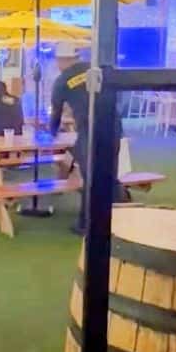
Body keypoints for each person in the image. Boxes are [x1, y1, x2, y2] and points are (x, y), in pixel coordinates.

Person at [50, 43, 126, 235]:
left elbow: (55, 113)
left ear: (61, 61)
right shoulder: (95, 70)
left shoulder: (61, 81)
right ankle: (119, 221)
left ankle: (86, 224)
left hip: (89, 129)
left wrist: (51, 132)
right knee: (109, 171)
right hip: (112, 125)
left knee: (90, 176)